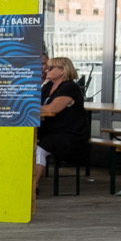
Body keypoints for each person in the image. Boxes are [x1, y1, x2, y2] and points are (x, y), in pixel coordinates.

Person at [35, 55, 88, 196]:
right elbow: (35, 103)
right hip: (51, 131)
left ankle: (32, 186)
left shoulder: (70, 87)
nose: (46, 70)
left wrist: (26, 107)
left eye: (50, 67)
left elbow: (52, 109)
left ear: (62, 71)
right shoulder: (48, 87)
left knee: (39, 148)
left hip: (69, 135)